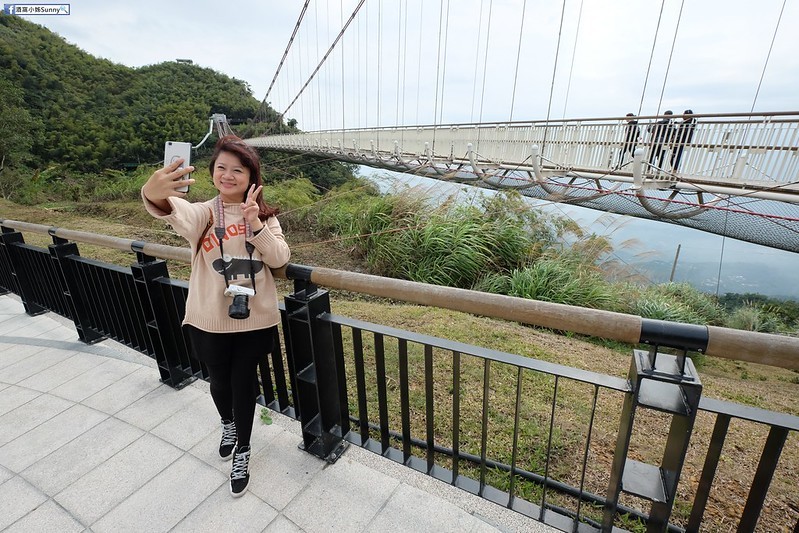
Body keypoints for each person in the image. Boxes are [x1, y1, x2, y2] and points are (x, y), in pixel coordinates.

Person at [141, 134, 290, 497]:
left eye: (237, 170)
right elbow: (178, 212)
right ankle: (227, 423)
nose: (228, 175)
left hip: (254, 318)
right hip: (208, 317)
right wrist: (154, 191)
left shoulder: (266, 216)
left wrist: (255, 224)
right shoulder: (206, 213)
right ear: (212, 173)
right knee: (219, 382)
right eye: (221, 168)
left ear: (251, 177)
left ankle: (243, 447)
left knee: (243, 384)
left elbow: (280, 259)